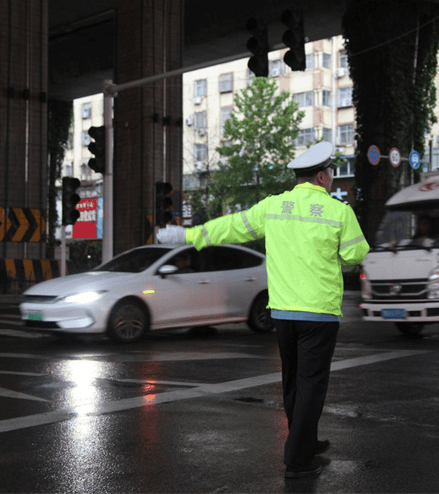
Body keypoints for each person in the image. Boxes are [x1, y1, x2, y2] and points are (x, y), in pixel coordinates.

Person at [157, 141, 369, 479]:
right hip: (319, 314)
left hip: (283, 313)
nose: (331, 177)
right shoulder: (338, 212)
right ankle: (299, 461)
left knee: (293, 384)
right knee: (312, 385)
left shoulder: (273, 207)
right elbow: (356, 255)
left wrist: (186, 235)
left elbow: (232, 227)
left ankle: (307, 440)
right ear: (320, 177)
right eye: (330, 172)